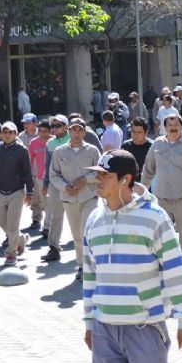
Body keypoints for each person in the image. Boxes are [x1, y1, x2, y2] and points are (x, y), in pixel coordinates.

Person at [83, 149, 182, 363]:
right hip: (103, 329)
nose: (98, 180)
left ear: (125, 179)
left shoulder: (154, 218)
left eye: (105, 175)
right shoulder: (94, 220)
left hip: (145, 328)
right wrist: (89, 323)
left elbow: (176, 272)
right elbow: (89, 276)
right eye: (97, 174)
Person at [142, 114, 182, 275]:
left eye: (176, 124)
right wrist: (142, 192)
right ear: (165, 127)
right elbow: (148, 169)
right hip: (162, 199)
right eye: (169, 124)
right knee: (161, 236)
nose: (173, 127)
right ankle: (165, 266)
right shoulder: (157, 144)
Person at [49, 117, 101, 280]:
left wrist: (86, 179)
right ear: (68, 131)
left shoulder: (92, 150)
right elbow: (53, 175)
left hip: (89, 197)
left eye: (80, 130)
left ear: (84, 132)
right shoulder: (59, 151)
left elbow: (100, 171)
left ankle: (93, 265)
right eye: (73, 130)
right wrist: (65, 187)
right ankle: (81, 265)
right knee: (77, 234)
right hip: (69, 199)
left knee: (88, 232)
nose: (76, 133)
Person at [0, 121, 33, 267]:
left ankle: (11, 253)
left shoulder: (22, 150)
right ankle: (21, 240)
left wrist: (30, 192)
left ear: (15, 134)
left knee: (13, 225)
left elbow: (27, 173)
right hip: (0, 191)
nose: (7, 135)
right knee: (2, 223)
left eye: (10, 132)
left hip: (17, 192)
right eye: (4, 132)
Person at [40, 114, 69, 249]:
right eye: (54, 126)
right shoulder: (50, 143)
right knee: (56, 216)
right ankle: (54, 246)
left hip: (72, 183)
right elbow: (48, 165)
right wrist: (45, 184)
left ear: (65, 126)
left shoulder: (73, 138)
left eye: (58, 125)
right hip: (55, 183)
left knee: (79, 217)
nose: (55, 129)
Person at [27, 119, 51, 231]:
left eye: (45, 131)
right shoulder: (33, 143)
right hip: (40, 177)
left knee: (50, 203)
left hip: (54, 177)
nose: (43, 133)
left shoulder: (53, 142)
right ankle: (40, 222)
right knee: (40, 201)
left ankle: (49, 225)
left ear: (50, 131)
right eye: (40, 131)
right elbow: (30, 160)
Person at [121, 118, 153, 183]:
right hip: (131, 185)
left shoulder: (153, 146)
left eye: (139, 132)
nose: (136, 135)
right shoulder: (126, 146)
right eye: (133, 132)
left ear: (146, 132)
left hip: (149, 185)